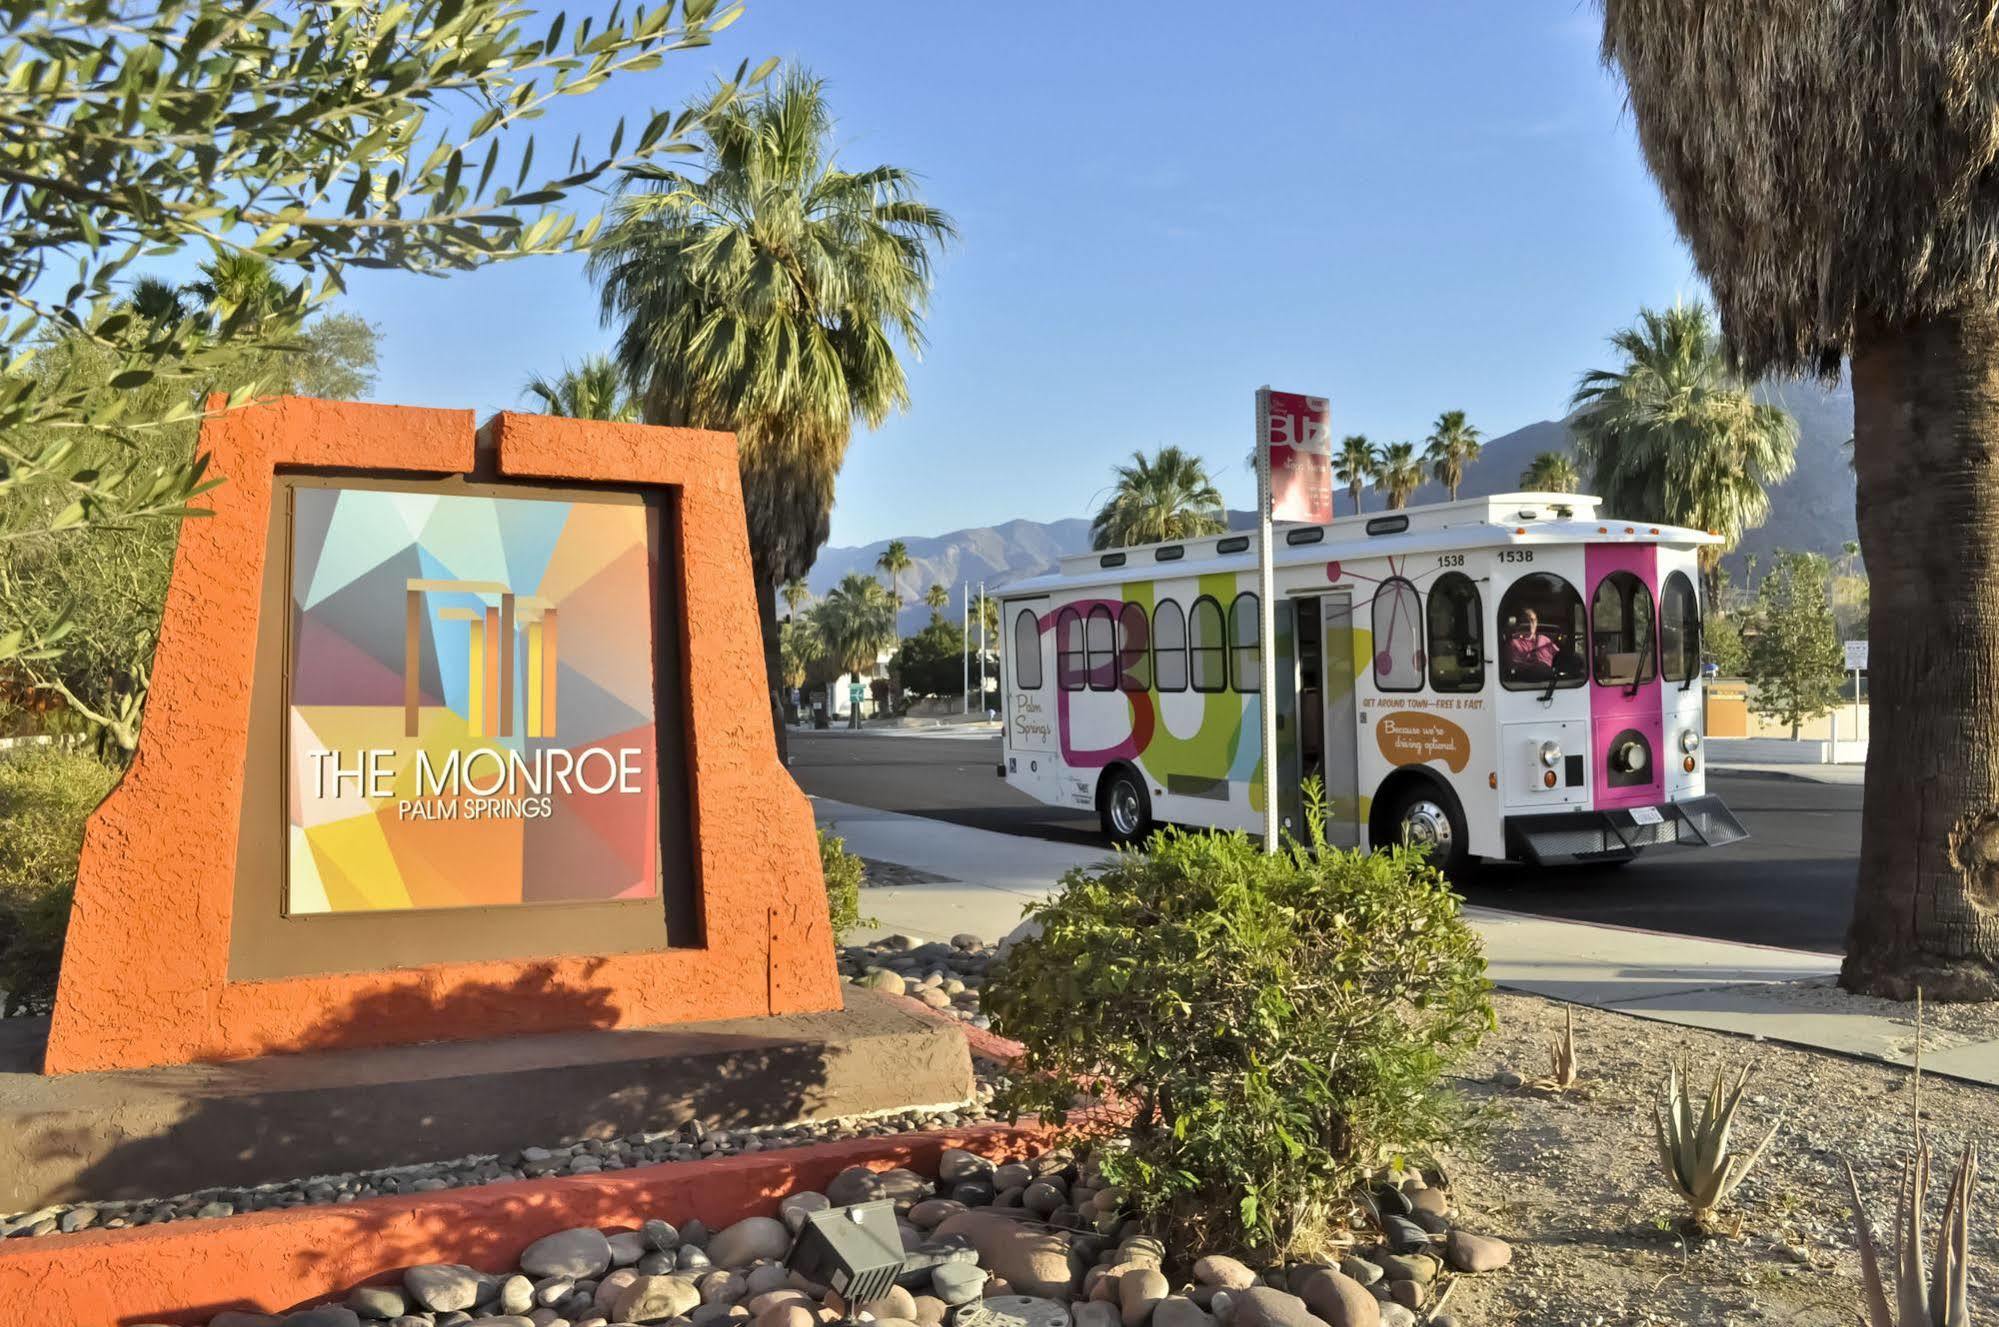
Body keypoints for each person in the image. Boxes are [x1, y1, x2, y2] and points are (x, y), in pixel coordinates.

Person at [1504, 607, 1561, 679]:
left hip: (1550, 684)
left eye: (1532, 620)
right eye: (1526, 621)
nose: (1530, 624)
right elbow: (1512, 668)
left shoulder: (1546, 641)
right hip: (1522, 685)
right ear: (1519, 624)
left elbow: (1559, 661)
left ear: (1536, 622)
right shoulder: (1513, 643)